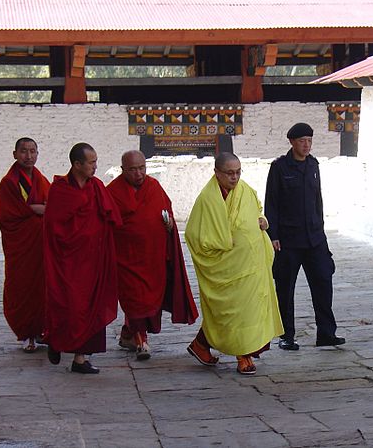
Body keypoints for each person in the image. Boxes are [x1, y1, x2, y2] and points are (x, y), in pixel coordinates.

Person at [185, 152, 283, 375]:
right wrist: (224, 243)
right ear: (217, 172)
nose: (235, 177)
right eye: (229, 173)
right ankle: (242, 355)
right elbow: (195, 235)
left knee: (248, 311)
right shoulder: (207, 199)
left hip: (251, 265)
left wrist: (262, 220)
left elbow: (257, 210)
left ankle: (206, 346)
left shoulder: (245, 190)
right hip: (227, 268)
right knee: (230, 311)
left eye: (238, 172)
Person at [107, 150, 198, 361]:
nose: (139, 174)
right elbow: (105, 224)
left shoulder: (154, 187)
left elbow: (167, 213)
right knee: (135, 299)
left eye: (142, 168)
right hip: (126, 259)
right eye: (132, 169)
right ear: (123, 170)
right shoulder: (112, 191)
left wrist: (169, 225)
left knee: (147, 299)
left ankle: (129, 334)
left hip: (153, 257)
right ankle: (141, 341)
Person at [264, 122, 345, 350]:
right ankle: (286, 336)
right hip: (288, 240)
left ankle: (327, 333)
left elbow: (317, 201)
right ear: (292, 142)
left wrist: (321, 229)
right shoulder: (280, 167)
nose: (306, 145)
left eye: (309, 140)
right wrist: (273, 235)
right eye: (302, 141)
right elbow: (271, 202)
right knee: (285, 287)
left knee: (323, 282)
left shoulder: (313, 165)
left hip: (315, 239)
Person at [43, 143, 122, 374]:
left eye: (96, 161)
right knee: (69, 305)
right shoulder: (60, 190)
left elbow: (112, 218)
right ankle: (56, 341)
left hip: (94, 261)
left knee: (92, 307)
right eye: (91, 162)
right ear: (77, 164)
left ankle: (80, 358)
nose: (95, 166)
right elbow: (53, 228)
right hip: (68, 262)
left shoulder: (97, 186)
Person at [0, 137, 50, 353]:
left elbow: (51, 205)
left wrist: (43, 209)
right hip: (22, 246)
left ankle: (41, 330)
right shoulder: (8, 182)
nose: (28, 156)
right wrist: (32, 210)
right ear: (15, 154)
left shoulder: (41, 179)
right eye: (24, 151)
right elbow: (6, 215)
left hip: (41, 244)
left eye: (33, 151)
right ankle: (27, 334)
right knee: (22, 285)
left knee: (42, 286)